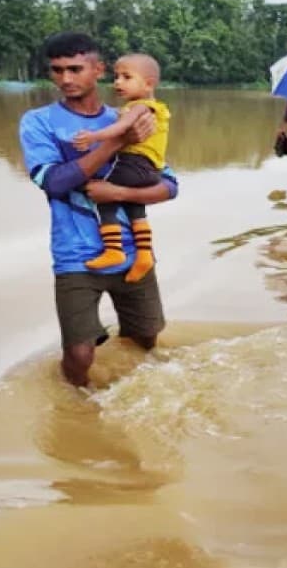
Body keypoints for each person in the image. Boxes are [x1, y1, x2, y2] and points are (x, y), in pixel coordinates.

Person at [19, 32, 179, 387]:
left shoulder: (130, 114)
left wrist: (118, 191)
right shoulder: (39, 122)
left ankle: (136, 390)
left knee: (146, 338)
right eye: (57, 71)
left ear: (98, 70)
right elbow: (55, 183)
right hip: (75, 256)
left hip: (133, 252)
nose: (66, 79)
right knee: (79, 355)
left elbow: (169, 185)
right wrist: (117, 141)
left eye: (75, 69)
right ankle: (79, 409)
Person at [71, 53, 171, 283]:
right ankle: (144, 254)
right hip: (151, 171)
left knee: (101, 193)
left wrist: (93, 136)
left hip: (133, 164)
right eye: (116, 77)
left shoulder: (140, 107)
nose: (118, 82)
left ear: (148, 84)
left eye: (126, 77)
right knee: (135, 207)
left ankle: (113, 249)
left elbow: (123, 128)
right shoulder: (157, 108)